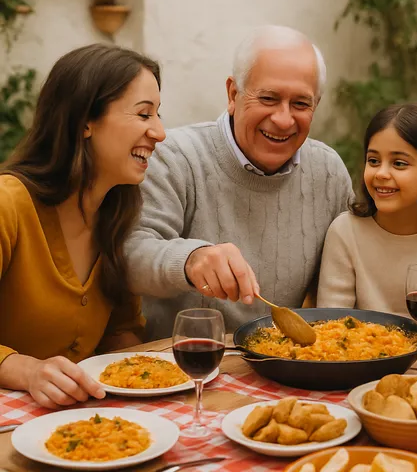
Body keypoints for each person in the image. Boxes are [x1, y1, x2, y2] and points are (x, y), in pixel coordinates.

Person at [124, 25, 353, 340]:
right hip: (179, 359)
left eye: (301, 104)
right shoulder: (174, 156)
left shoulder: (329, 172)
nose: (284, 119)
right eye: (269, 98)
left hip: (283, 360)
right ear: (233, 94)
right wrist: (191, 259)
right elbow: (129, 254)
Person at [0, 44, 166, 408]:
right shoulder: (7, 204)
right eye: (144, 114)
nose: (160, 132)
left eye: (158, 115)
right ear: (84, 121)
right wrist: (27, 371)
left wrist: (146, 375)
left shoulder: (116, 215)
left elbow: (122, 330)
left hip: (81, 423)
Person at [317, 103, 417, 331]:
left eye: (399, 164)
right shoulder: (345, 231)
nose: (381, 173)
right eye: (373, 161)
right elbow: (332, 330)